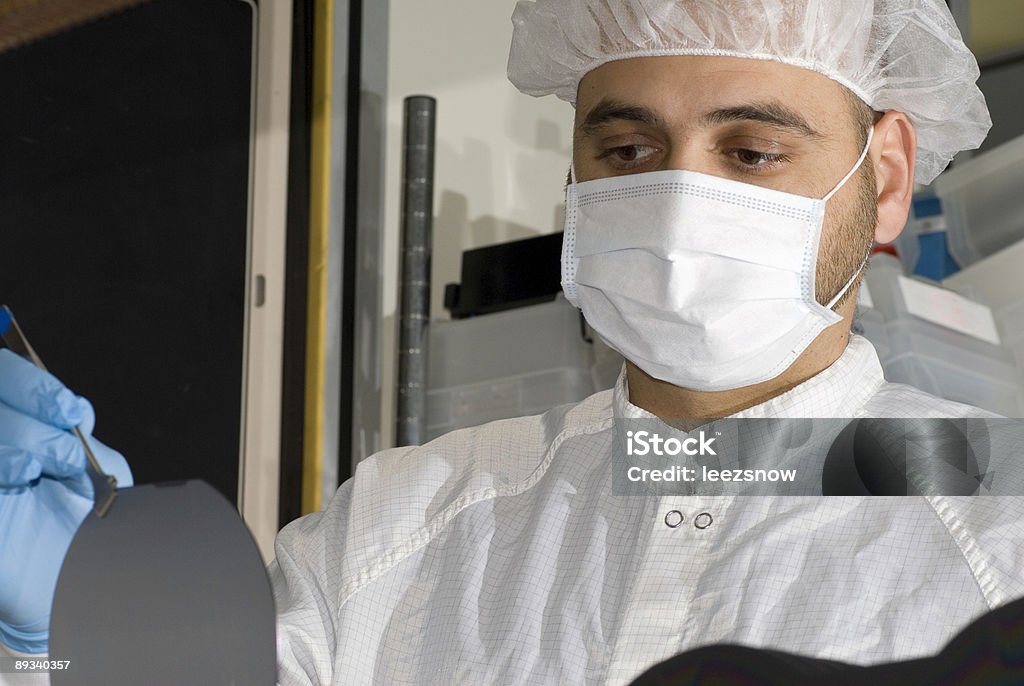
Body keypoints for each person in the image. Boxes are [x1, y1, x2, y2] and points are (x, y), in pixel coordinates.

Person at [3, 1, 1023, 684]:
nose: (677, 200)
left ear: (884, 176)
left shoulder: (996, 521)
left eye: (750, 151)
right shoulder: (403, 526)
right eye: (626, 150)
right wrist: (56, 623)